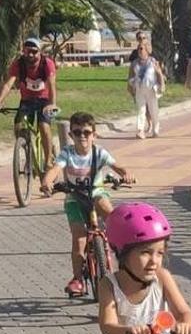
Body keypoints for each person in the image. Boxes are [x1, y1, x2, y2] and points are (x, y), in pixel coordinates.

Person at [39, 112, 133, 297]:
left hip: (96, 191)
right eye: (77, 132)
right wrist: (47, 182)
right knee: (79, 238)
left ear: (94, 135)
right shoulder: (67, 153)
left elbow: (118, 166)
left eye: (87, 132)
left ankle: (119, 250)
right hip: (74, 196)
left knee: (110, 213)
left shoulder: (99, 153)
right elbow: (55, 169)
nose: (82, 136)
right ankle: (78, 279)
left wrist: (126, 174)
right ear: (71, 135)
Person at [100, 202, 191, 334]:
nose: (154, 261)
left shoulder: (162, 277)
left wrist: (186, 325)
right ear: (122, 253)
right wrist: (129, 331)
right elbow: (107, 326)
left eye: (160, 253)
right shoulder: (110, 285)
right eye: (145, 252)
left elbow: (183, 312)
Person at [0, 38, 58, 165]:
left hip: (45, 100)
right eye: (27, 52)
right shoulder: (19, 64)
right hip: (27, 100)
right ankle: (27, 152)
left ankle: (48, 159)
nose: (30, 55)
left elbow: (52, 84)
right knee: (18, 126)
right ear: (23, 51)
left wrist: (52, 104)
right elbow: (8, 83)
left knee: (43, 126)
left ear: (40, 52)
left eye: (34, 52)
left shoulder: (47, 63)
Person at [128, 42, 165, 139]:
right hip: (140, 90)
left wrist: (161, 84)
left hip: (151, 89)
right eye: (138, 49)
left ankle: (155, 130)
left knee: (153, 110)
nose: (139, 51)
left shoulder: (153, 62)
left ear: (147, 50)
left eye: (141, 49)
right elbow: (130, 77)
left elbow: (159, 74)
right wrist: (131, 89)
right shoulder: (134, 63)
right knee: (141, 110)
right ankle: (140, 130)